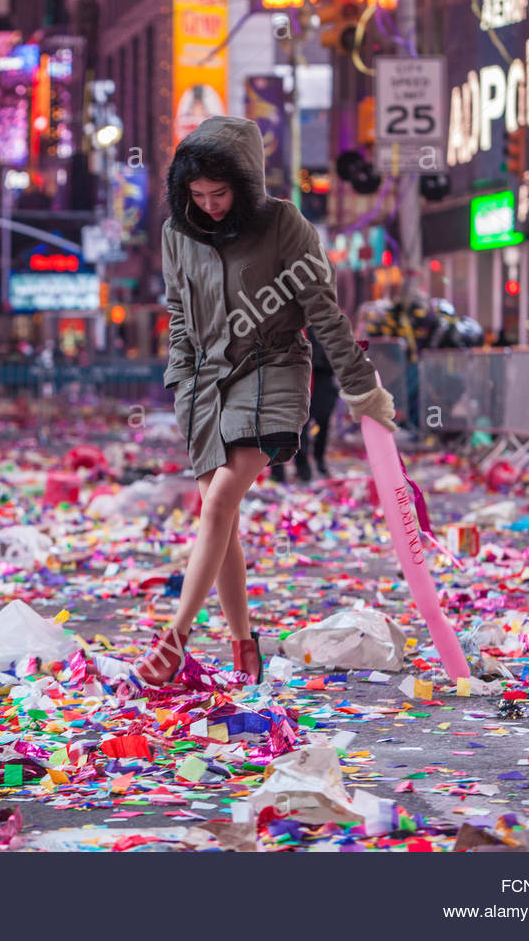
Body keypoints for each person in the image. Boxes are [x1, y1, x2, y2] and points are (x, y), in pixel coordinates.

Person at [139, 115, 397, 687]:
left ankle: (175, 638)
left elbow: (324, 312)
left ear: (246, 182)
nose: (208, 205)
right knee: (219, 515)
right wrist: (181, 380)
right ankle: (242, 645)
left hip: (275, 370)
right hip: (207, 385)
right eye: (197, 194)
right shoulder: (176, 232)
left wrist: (361, 387)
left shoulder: (284, 223)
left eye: (220, 193)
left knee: (222, 496)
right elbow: (180, 316)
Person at [273, 328, 338, 482]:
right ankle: (282, 471)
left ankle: (313, 462)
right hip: (291, 380)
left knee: (320, 421)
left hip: (319, 380)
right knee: (286, 426)